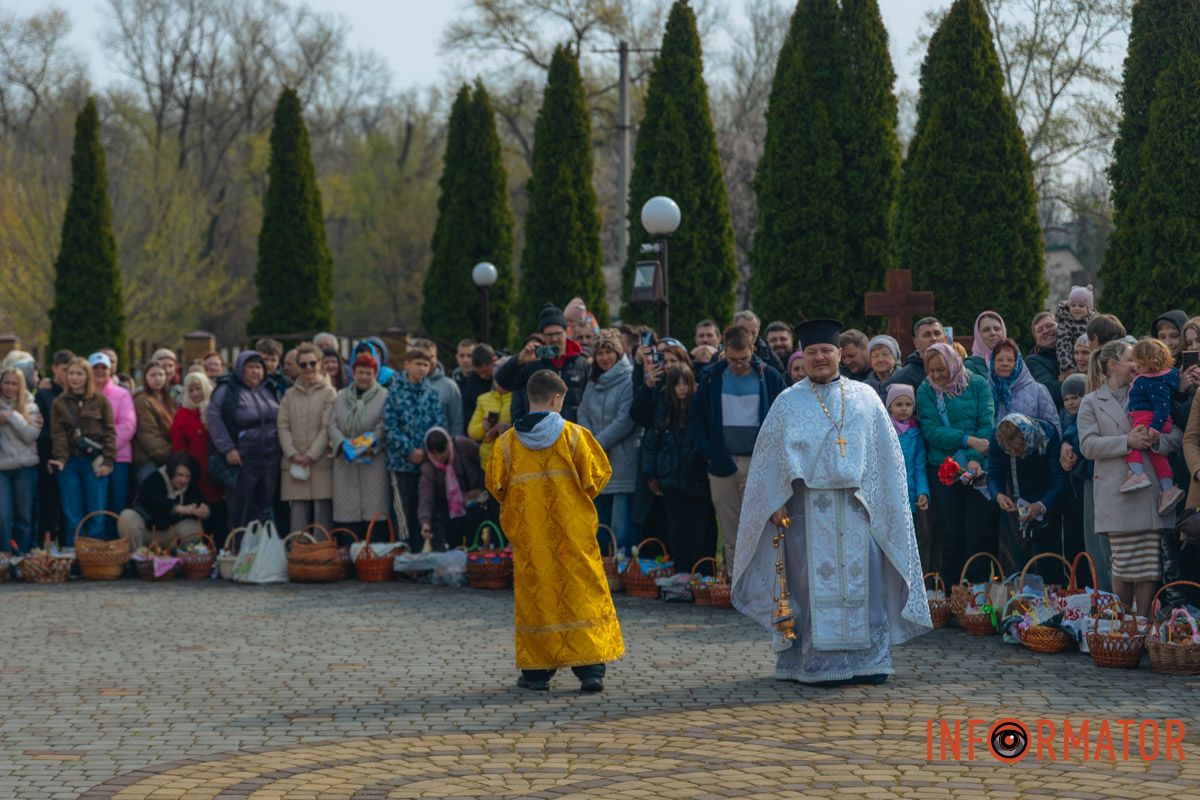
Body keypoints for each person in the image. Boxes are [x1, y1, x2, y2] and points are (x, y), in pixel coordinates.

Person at [731, 318, 931, 687]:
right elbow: (769, 460)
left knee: (865, 583)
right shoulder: (787, 402)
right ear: (803, 358)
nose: (820, 357)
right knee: (809, 585)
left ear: (840, 353)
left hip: (858, 509)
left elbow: (887, 459)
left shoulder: (866, 398)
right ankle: (817, 663)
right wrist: (774, 501)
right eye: (811, 352)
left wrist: (883, 502)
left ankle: (868, 662)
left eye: (826, 350)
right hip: (806, 510)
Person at [485, 369, 623, 693]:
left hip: (532, 539)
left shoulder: (507, 444)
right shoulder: (574, 436)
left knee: (537, 598)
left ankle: (536, 673)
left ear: (530, 398)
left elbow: (495, 484)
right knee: (581, 595)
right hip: (573, 534)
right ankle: (590, 671)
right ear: (557, 398)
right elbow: (598, 477)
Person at [1079, 340, 1181, 616]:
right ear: (1113, 365)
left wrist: (1156, 439)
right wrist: (1127, 441)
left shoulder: (1149, 388)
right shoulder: (1091, 401)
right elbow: (1088, 446)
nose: (1137, 365)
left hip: (1150, 496)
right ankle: (1122, 627)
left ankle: (1143, 623)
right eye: (1130, 359)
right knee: (1123, 565)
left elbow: (1176, 436)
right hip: (1117, 494)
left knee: (1149, 566)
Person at [689, 324, 785, 570]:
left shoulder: (769, 377)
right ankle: (735, 584)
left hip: (758, 462)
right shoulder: (712, 377)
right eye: (733, 360)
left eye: (744, 359)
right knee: (731, 530)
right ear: (724, 350)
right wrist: (709, 454)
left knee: (761, 528)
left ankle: (763, 584)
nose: (739, 364)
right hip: (723, 462)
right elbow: (696, 419)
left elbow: (783, 417)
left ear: (753, 348)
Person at [915, 343, 996, 584]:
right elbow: (931, 430)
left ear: (953, 364)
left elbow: (986, 423)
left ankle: (978, 591)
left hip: (977, 467)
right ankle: (952, 594)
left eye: (942, 369)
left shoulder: (978, 384)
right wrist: (966, 440)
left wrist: (975, 458)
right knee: (951, 531)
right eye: (932, 371)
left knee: (978, 531)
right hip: (943, 469)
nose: (938, 375)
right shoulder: (926, 391)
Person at [641, 364, 717, 575]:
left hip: (698, 476)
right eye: (677, 384)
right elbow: (651, 440)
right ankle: (683, 571)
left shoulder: (700, 405)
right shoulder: (663, 407)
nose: (682, 389)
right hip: (672, 476)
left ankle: (704, 572)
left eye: (685, 383)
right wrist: (650, 474)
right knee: (678, 529)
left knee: (702, 527)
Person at [577, 331, 640, 552]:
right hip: (596, 463)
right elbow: (583, 413)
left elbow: (626, 420)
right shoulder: (593, 382)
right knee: (599, 523)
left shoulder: (629, 379)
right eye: (600, 353)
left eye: (609, 352)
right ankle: (604, 569)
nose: (604, 357)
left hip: (621, 463)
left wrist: (595, 444)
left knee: (620, 526)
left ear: (618, 352)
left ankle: (622, 568)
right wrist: (590, 441)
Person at [207, 351, 281, 530]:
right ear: (241, 369)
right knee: (241, 508)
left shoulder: (270, 389)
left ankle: (264, 549)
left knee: (266, 506)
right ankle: (239, 549)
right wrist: (228, 449)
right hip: (243, 458)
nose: (255, 372)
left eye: (259, 367)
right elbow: (214, 419)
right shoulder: (226, 390)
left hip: (271, 457)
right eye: (250, 367)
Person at [988, 414, 1067, 579]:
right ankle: (1018, 593)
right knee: (1016, 557)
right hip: (1015, 496)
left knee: (1047, 557)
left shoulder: (1047, 434)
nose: (1015, 455)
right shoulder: (997, 438)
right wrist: (998, 495)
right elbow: (994, 472)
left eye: (1018, 451)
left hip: (1046, 493)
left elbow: (1059, 481)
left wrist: (1041, 505)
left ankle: (1050, 593)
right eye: (1009, 451)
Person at [384, 347, 446, 551]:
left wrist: (426, 451)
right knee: (403, 510)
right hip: (401, 463)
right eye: (418, 364)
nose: (422, 368)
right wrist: (410, 451)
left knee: (424, 508)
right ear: (406, 364)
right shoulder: (394, 391)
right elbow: (390, 427)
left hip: (426, 464)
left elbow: (439, 425)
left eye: (426, 365)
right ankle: (402, 549)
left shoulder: (432, 394)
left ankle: (422, 550)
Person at [49, 358, 115, 544]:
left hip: (94, 462)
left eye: (79, 373)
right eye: (71, 373)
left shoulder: (101, 400)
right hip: (70, 463)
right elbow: (58, 435)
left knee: (96, 513)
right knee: (72, 515)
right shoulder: (59, 403)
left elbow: (109, 432)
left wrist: (108, 460)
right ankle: (74, 559)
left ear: (87, 376)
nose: (75, 378)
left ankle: (94, 560)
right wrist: (60, 459)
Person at [329, 352, 391, 540]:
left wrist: (366, 445)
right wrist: (343, 443)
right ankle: (350, 553)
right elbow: (332, 424)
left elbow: (383, 425)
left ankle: (374, 559)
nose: (364, 377)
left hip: (372, 461)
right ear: (353, 374)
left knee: (374, 510)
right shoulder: (341, 396)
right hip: (346, 462)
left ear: (375, 375)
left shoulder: (384, 396)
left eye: (369, 373)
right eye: (360, 373)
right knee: (347, 512)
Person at [1120, 338, 1185, 514]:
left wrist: (1155, 428)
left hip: (1147, 419)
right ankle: (1168, 489)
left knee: (1133, 442)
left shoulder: (1149, 381)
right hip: (1154, 420)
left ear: (1144, 361)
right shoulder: (1165, 376)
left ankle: (1137, 474)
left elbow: (1162, 407)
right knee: (1158, 456)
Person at [495, 303, 590, 422]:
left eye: (558, 333)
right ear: (542, 336)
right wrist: (519, 360)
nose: (554, 339)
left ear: (566, 332)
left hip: (571, 434)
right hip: (538, 434)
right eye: (549, 335)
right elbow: (503, 383)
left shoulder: (581, 363)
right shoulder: (532, 363)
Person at [277, 343, 336, 532]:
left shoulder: (329, 393)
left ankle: (322, 557)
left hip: (319, 463)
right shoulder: (289, 394)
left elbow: (327, 427)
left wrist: (311, 455)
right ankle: (299, 557)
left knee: (322, 514)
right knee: (298, 515)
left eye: (312, 363)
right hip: (294, 462)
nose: (308, 368)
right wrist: (293, 454)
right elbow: (282, 426)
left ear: (320, 363)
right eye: (303, 365)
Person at [171, 372, 226, 543]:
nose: (195, 394)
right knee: (201, 510)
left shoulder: (216, 408)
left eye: (198, 389)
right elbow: (178, 445)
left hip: (219, 469)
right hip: (195, 471)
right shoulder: (183, 414)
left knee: (221, 511)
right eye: (191, 390)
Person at [119, 452, 208, 548]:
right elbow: (153, 500)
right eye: (180, 475)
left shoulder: (189, 486)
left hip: (170, 534)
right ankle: (137, 558)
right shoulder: (155, 479)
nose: (184, 480)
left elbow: (199, 500)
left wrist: (204, 509)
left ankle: (181, 559)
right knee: (127, 516)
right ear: (171, 472)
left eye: (187, 476)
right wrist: (177, 508)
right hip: (146, 530)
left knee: (193, 528)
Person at [419, 428, 488, 550]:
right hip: (449, 509)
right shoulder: (428, 468)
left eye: (442, 451)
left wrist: (481, 488)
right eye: (434, 454)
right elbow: (426, 498)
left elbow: (484, 460)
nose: (439, 457)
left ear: (448, 443)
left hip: (475, 500)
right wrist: (425, 523)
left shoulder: (462, 445)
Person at [886, 384, 930, 570]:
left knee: (917, 538)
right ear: (889, 407)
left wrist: (922, 491)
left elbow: (919, 467)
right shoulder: (884, 431)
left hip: (910, 493)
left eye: (907, 404)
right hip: (889, 494)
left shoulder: (916, 433)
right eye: (898, 404)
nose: (904, 409)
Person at [89, 352, 136, 523]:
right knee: (96, 506)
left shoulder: (121, 394)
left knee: (116, 505)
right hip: (90, 457)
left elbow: (127, 425)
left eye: (104, 368)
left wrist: (105, 448)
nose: (100, 371)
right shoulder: (84, 395)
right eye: (96, 368)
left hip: (118, 458)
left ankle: (117, 545)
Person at [0, 367, 42, 554]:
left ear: (21, 385)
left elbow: (30, 435)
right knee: (3, 516)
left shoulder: (31, 407)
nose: (10, 387)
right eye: (6, 383)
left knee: (24, 515)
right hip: (2, 468)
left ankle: (22, 556)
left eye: (14, 383)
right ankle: (5, 557)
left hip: (25, 468)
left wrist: (11, 416)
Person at [35, 349, 73, 545]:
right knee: (49, 506)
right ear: (54, 369)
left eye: (71, 370)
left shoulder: (78, 396)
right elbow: (40, 429)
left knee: (69, 507)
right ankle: (44, 551)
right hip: (49, 457)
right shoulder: (44, 395)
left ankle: (68, 549)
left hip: (72, 458)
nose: (68, 375)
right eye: (64, 369)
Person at [988, 339, 1059, 435]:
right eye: (999, 360)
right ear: (992, 363)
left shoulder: (1038, 390)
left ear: (1018, 363)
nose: (1004, 363)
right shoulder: (984, 390)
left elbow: (1053, 428)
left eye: (1010, 360)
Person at [1058, 374, 1088, 566]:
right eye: (1066, 399)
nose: (1070, 403)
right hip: (1074, 489)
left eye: (1075, 397)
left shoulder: (1086, 418)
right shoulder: (1067, 422)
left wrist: (1070, 444)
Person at [132, 361, 176, 481]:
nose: (157, 379)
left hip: (168, 454)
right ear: (145, 378)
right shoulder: (142, 400)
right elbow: (148, 434)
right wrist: (170, 457)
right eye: (153, 375)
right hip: (147, 459)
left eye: (161, 375)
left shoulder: (168, 400)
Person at [411, 338, 465, 437]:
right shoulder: (401, 386)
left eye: (431, 356)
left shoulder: (449, 386)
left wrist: (453, 448)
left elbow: (456, 423)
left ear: (436, 357)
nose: (427, 360)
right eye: (420, 357)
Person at [882, 317, 947, 391]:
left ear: (945, 339)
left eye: (937, 333)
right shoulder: (904, 378)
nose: (934, 339)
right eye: (927, 335)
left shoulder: (959, 370)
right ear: (916, 342)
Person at [467, 368, 513, 474]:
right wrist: (483, 427)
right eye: (498, 379)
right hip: (488, 462)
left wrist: (510, 428)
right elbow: (472, 432)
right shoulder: (483, 399)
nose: (501, 382)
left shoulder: (518, 397)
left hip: (512, 462)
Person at [1026, 312, 1063, 408]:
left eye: (1050, 325)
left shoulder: (1077, 349)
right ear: (1036, 339)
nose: (1045, 331)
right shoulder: (1032, 361)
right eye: (1040, 330)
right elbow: (1050, 391)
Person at [1055, 286, 1095, 373]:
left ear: (1089, 309)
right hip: (1076, 367)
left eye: (1081, 306)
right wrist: (1068, 368)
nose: (1076, 308)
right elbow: (1062, 347)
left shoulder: (1094, 323)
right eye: (1073, 305)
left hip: (1093, 366)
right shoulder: (1066, 324)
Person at [733, 309, 786, 374]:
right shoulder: (721, 356)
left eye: (753, 333)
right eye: (744, 332)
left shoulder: (771, 358)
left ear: (758, 331)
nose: (749, 337)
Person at [459, 344, 496, 426]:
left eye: (485, 371)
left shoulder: (504, 373)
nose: (482, 376)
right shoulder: (472, 381)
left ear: (494, 361)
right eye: (478, 372)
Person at [967, 311, 1007, 376]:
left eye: (997, 329)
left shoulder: (1014, 360)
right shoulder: (970, 366)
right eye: (986, 330)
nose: (993, 333)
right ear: (978, 335)